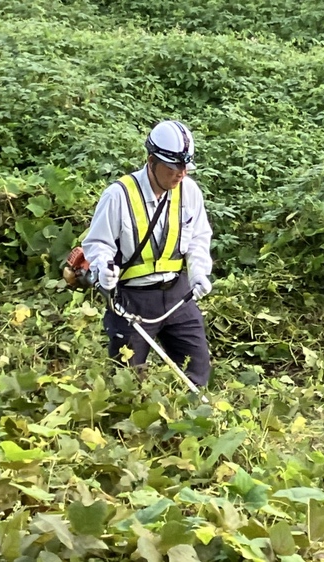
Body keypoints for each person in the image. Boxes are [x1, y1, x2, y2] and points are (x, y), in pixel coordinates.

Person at [82, 120, 213, 386]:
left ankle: (188, 421)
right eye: (173, 168)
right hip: (132, 300)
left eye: (185, 168)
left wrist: (199, 273)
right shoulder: (118, 195)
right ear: (151, 161)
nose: (181, 175)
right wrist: (103, 268)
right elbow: (97, 243)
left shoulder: (189, 191)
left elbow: (199, 237)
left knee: (197, 371)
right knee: (126, 381)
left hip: (178, 294)